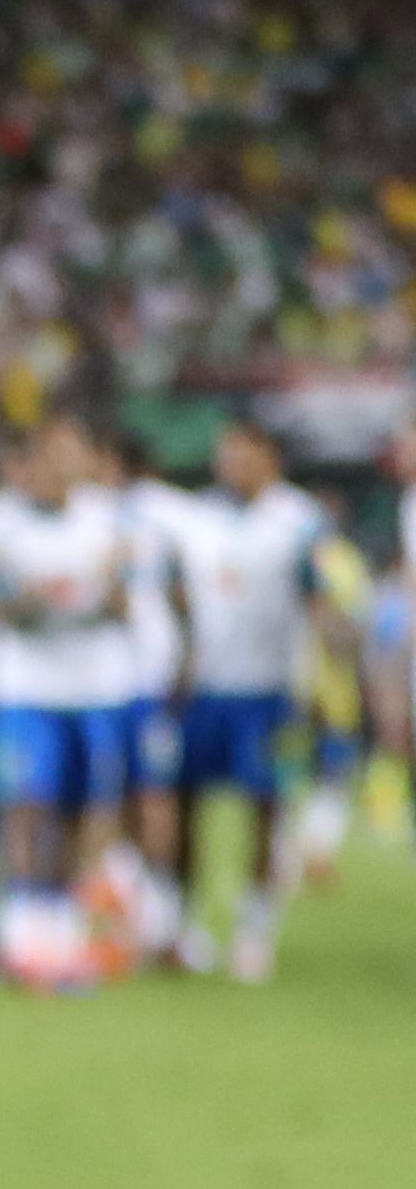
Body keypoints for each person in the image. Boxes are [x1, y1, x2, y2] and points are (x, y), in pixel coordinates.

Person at [0, 421, 136, 992]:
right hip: (24, 688)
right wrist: (10, 602)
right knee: (26, 807)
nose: (65, 466)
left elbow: (129, 599)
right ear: (33, 461)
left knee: (84, 814)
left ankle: (65, 932)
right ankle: (20, 935)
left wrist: (110, 596)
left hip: (94, 688)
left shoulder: (109, 520)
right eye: (55, 454)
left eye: (75, 454)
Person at [163, 418, 343, 982]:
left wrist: (323, 676)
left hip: (269, 690)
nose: (232, 464)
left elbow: (319, 600)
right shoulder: (197, 519)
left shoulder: (299, 522)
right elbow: (178, 599)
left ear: (270, 458)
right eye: (226, 454)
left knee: (264, 811)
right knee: (183, 807)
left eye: (244, 454)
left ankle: (254, 928)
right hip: (203, 689)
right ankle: (181, 925)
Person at [99, 425, 201, 967]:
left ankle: (157, 919)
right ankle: (150, 918)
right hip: (135, 677)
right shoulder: (175, 514)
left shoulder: (150, 515)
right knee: (142, 797)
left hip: (135, 677)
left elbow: (186, 595)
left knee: (142, 797)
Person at [289, 507, 378, 887]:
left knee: (290, 776)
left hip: (288, 683)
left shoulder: (289, 554)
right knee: (333, 774)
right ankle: (314, 849)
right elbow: (354, 629)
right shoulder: (346, 562)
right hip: (331, 687)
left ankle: (300, 850)